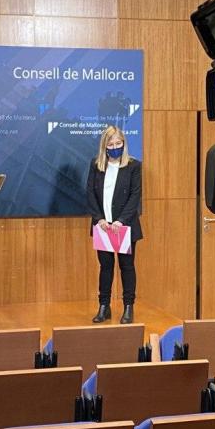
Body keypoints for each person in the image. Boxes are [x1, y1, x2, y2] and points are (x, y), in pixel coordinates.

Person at [86, 125, 143, 324]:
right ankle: (104, 307)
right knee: (106, 267)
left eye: (118, 143)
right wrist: (99, 219)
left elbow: (135, 196)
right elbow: (90, 193)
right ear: (104, 146)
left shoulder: (133, 166)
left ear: (124, 144)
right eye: (110, 144)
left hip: (124, 227)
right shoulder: (96, 165)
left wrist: (121, 220)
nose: (115, 147)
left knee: (127, 266)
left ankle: (128, 307)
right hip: (103, 226)